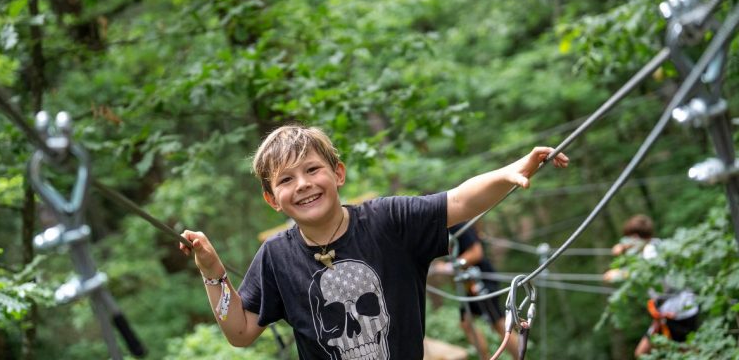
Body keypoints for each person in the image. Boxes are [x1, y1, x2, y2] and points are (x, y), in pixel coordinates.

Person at [180, 125, 569, 359]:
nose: (303, 185)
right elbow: (241, 332)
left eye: (313, 169)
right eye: (285, 180)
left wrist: (511, 170)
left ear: (338, 173)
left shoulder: (388, 221)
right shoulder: (276, 257)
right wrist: (213, 274)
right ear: (271, 199)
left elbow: (460, 200)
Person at [603, 214, 698, 357]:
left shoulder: (650, 252)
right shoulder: (656, 244)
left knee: (680, 352)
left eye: (627, 239)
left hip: (676, 310)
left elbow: (645, 271)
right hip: (681, 306)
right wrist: (623, 248)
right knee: (681, 351)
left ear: (635, 238)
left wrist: (619, 274)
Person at [432, 223, 520, 360]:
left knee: (499, 324)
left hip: (481, 280)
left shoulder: (458, 224)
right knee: (466, 323)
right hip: (467, 285)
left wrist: (449, 267)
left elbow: (476, 252)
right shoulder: (443, 231)